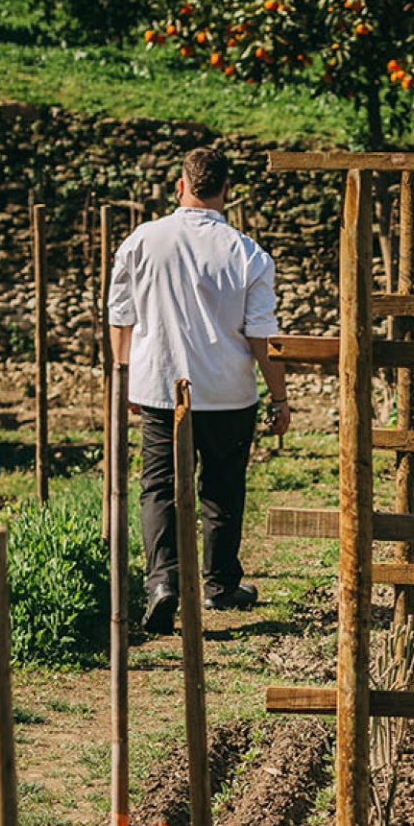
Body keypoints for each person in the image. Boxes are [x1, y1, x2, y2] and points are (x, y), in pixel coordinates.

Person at [109, 146, 291, 634]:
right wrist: (280, 396)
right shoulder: (247, 252)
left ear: (180, 186)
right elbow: (260, 332)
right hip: (228, 391)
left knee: (159, 488)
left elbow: (120, 315)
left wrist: (126, 373)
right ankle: (219, 584)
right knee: (223, 488)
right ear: (226, 191)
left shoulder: (142, 241)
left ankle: (162, 583)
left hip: (160, 390)